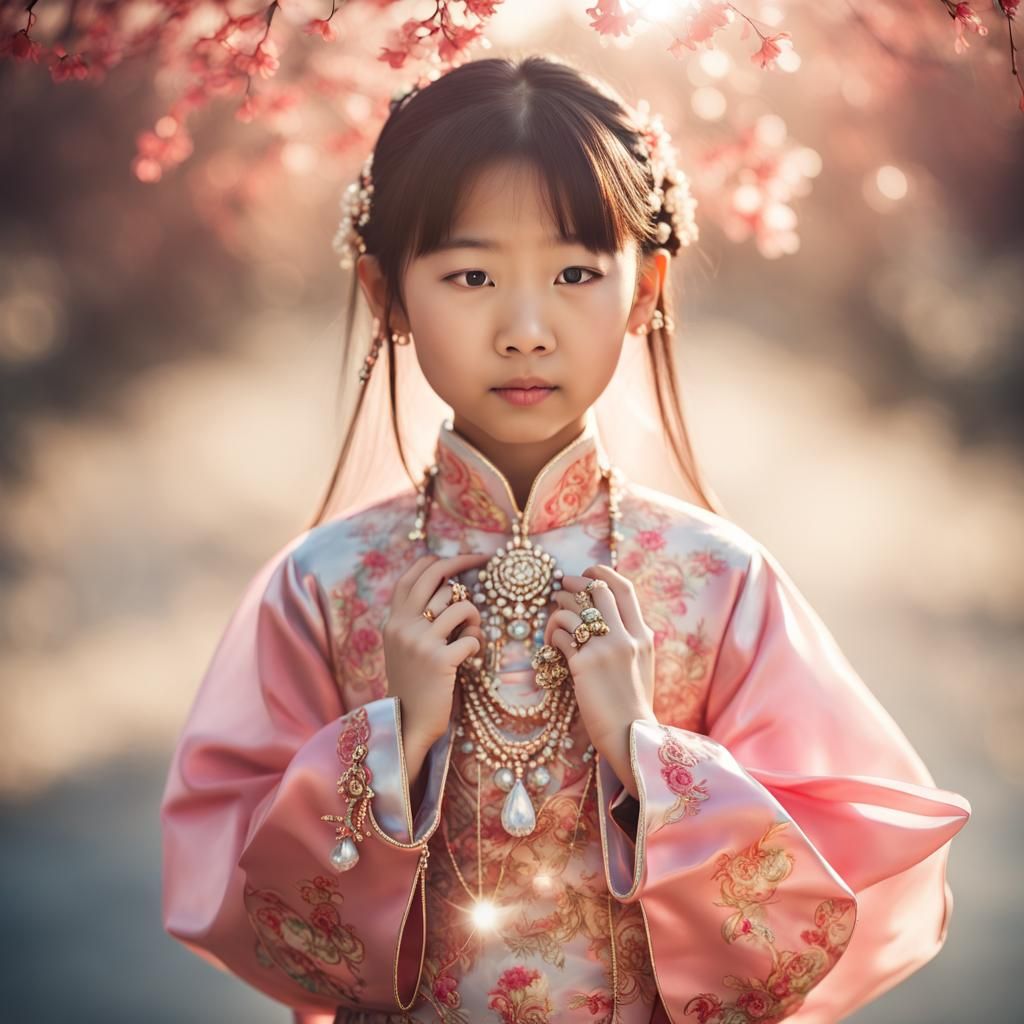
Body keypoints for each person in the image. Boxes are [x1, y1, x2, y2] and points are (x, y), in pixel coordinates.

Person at [159, 54, 971, 1024]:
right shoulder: (322, 586)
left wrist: (647, 752)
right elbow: (241, 903)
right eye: (470, 274)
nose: (526, 327)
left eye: (576, 271)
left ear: (645, 288)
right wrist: (391, 739)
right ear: (386, 294)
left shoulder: (715, 580)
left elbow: (826, 900)